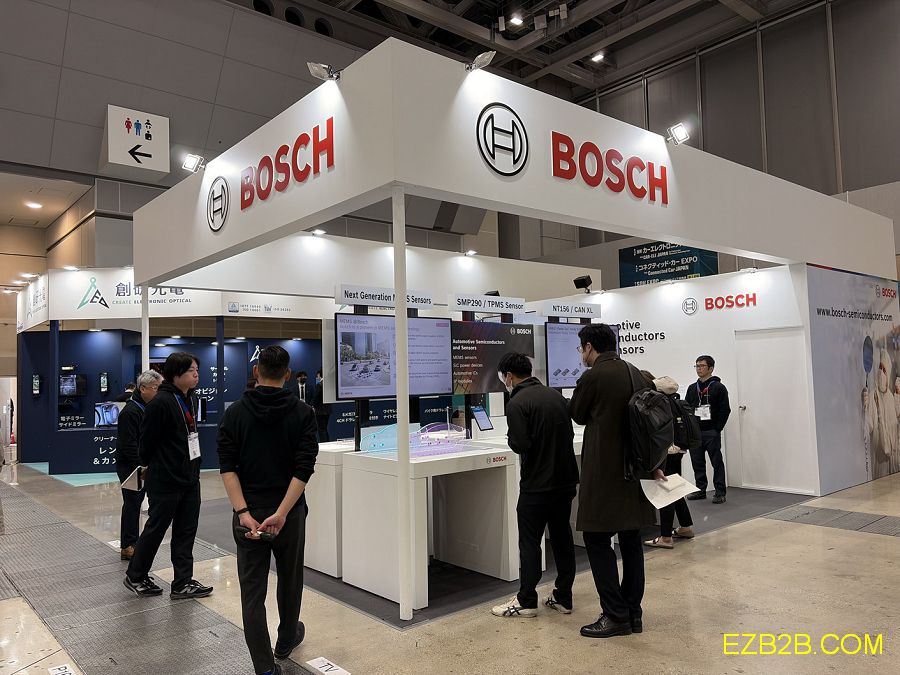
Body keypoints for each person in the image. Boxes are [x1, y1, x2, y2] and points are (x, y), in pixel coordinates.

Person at [218, 346, 319, 675]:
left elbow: (227, 467)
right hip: (289, 513)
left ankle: (264, 668)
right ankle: (286, 638)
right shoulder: (303, 413)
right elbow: (304, 468)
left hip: (247, 514)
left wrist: (243, 512)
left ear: (256, 372)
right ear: (287, 375)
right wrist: (283, 512)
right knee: (290, 577)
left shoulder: (234, 413)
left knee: (252, 592)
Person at [569, 323, 663, 638]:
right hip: (635, 472)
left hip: (605, 472)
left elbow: (577, 413)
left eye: (581, 348)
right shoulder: (636, 373)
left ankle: (614, 614)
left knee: (596, 539)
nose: (581, 354)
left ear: (589, 347)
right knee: (631, 540)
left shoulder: (593, 376)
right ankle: (633, 613)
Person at [491, 353, 579, 619]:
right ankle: (563, 596)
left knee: (530, 542)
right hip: (564, 481)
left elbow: (520, 444)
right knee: (562, 538)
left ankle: (527, 600)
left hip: (537, 484)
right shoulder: (555, 396)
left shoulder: (517, 402)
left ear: (509, 376)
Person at [124, 352, 213, 599]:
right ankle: (135, 575)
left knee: (186, 530)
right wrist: (162, 465)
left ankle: (183, 581)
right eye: (191, 370)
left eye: (197, 370)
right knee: (156, 528)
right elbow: (146, 445)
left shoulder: (189, 398)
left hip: (189, 477)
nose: (196, 374)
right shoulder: (160, 403)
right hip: (166, 480)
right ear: (176, 374)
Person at [642, 374, 694, 549]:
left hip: (666, 451)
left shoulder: (656, 402)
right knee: (674, 487)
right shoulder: (673, 400)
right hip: (678, 449)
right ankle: (685, 527)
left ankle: (665, 537)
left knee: (666, 490)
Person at [115, 370, 162, 561]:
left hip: (144, 465)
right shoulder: (130, 412)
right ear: (143, 389)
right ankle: (128, 544)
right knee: (132, 504)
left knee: (141, 503)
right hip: (131, 467)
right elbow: (129, 445)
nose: (158, 392)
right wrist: (141, 468)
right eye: (155, 388)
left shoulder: (147, 408)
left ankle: (137, 542)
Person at [685, 355, 731, 504]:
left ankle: (720, 492)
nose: (698, 369)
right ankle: (700, 490)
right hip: (695, 433)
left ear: (711, 368)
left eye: (702, 366)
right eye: (697, 366)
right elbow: (687, 408)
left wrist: (717, 428)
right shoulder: (692, 388)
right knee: (697, 463)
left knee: (716, 462)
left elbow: (725, 410)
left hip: (711, 431)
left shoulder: (718, 387)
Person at [862, 348, 900, 479]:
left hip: (891, 461)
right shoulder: (873, 396)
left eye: (884, 369)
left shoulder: (890, 398)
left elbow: (895, 424)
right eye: (879, 368)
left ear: (888, 372)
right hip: (879, 459)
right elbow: (868, 427)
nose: (880, 372)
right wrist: (865, 408)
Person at [312, 369, 331, 442]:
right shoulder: (328, 384)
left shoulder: (319, 385)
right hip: (328, 409)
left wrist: (312, 405)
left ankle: (324, 443)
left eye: (317, 375)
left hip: (320, 410)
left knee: (321, 429)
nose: (317, 377)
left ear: (319, 375)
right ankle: (327, 442)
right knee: (325, 428)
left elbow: (316, 397)